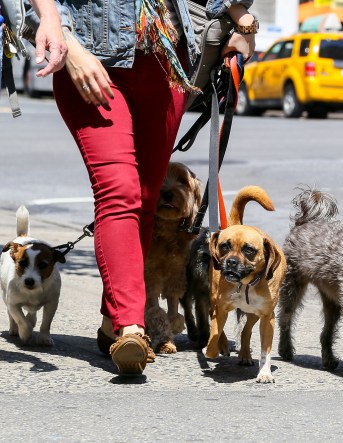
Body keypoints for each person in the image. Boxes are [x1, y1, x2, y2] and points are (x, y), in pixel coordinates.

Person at [51, 0, 256, 376]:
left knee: (146, 199)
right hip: (93, 57)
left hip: (168, 59)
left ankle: (111, 323)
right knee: (119, 192)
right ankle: (131, 325)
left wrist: (240, 20)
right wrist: (67, 42)